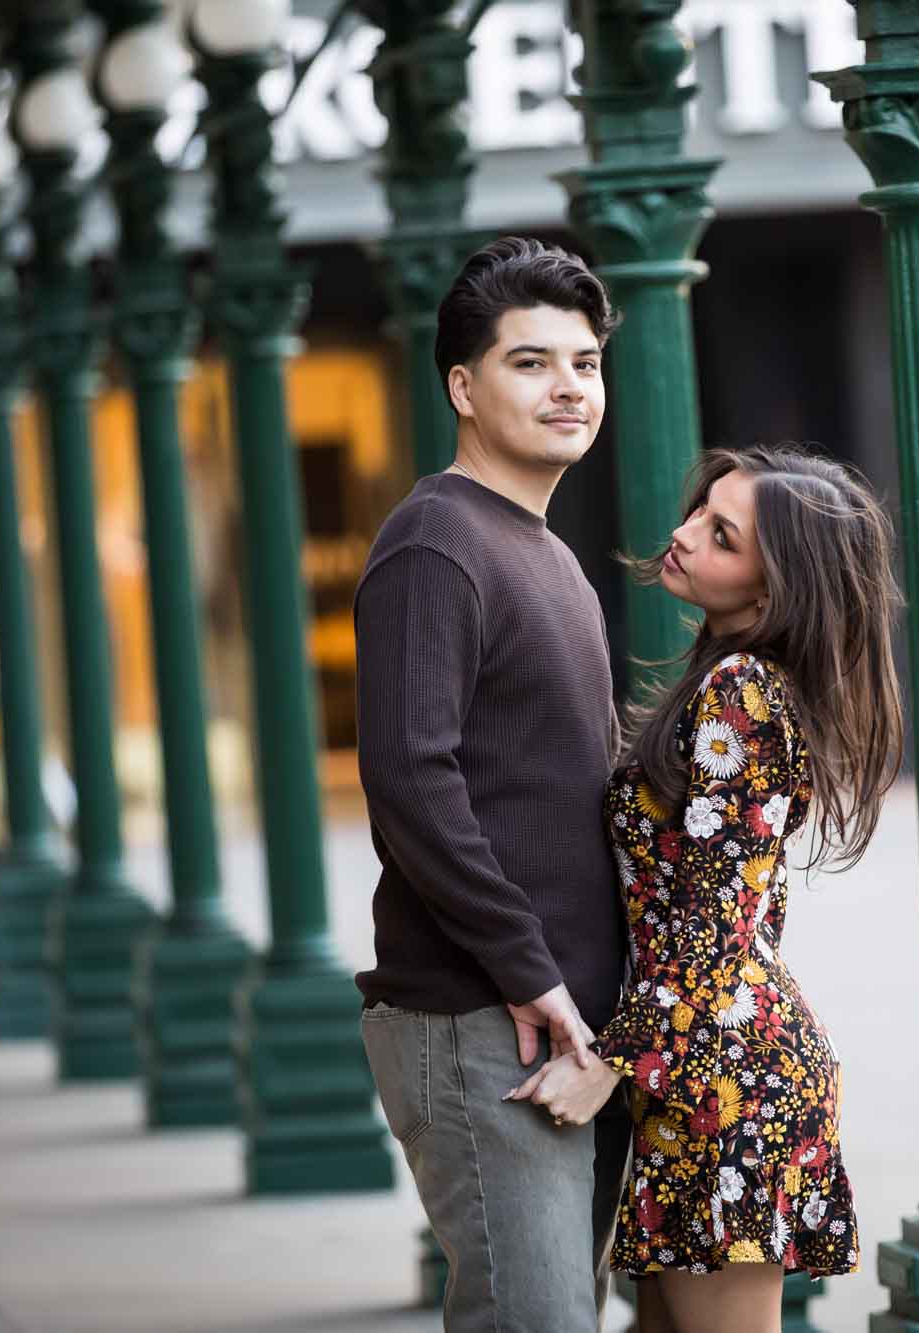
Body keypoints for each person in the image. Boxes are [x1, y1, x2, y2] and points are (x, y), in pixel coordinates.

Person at [510, 445, 906, 1333]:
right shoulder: (725, 683)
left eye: (721, 536)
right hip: (701, 1070)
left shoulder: (744, 695)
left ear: (768, 596)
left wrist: (606, 1066)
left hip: (722, 1086)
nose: (684, 534)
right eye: (701, 510)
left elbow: (713, 921)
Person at [354, 236, 630, 1332]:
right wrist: (529, 972)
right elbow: (410, 781)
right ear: (462, 387)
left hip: (564, 1022)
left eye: (584, 362)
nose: (567, 384)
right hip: (485, 1016)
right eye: (530, 362)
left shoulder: (546, 552)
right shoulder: (435, 543)